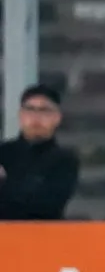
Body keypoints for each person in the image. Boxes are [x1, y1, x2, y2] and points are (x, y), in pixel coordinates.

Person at [0, 84, 79, 220]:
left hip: (43, 236)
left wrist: (4, 182)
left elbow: (46, 206)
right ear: (20, 115)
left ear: (57, 118)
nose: (36, 116)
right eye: (30, 109)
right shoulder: (3, 153)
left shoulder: (65, 160)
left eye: (45, 110)